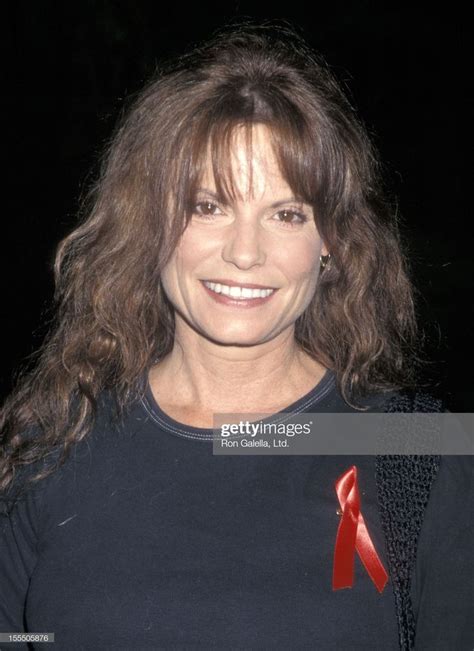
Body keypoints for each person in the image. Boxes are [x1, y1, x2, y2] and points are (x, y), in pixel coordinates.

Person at [0, 23, 471, 651]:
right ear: (150, 225)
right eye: (208, 205)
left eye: (286, 214)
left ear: (330, 243)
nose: (245, 253)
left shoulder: (423, 451)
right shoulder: (46, 447)